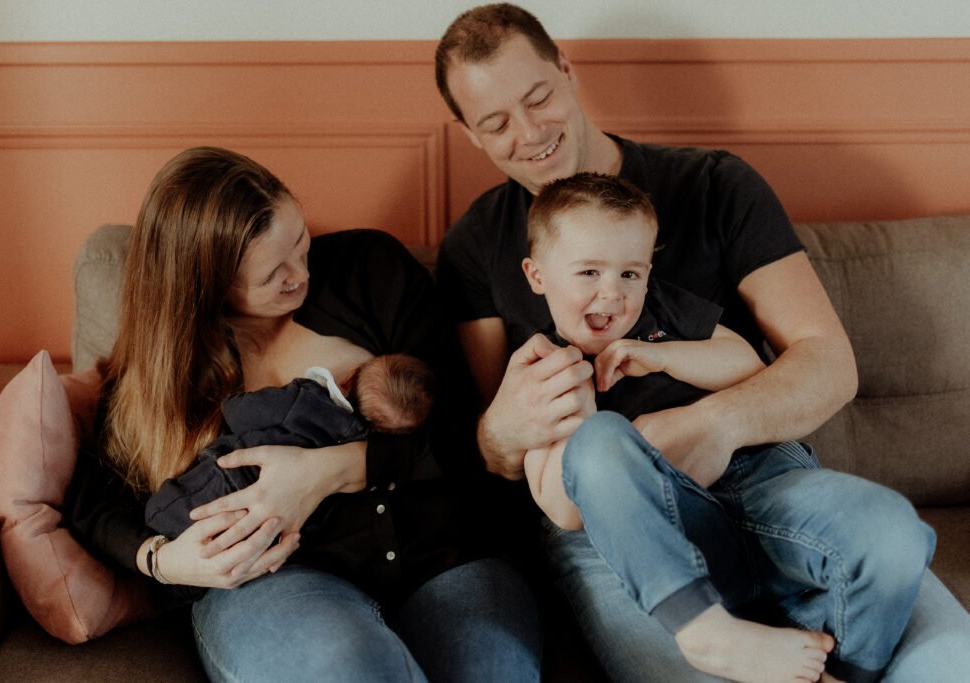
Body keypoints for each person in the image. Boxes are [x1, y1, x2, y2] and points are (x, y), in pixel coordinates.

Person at [433, 4, 970, 682]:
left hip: (764, 478)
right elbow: (496, 452)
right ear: (468, 133)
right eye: (495, 123)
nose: (529, 132)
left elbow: (826, 361)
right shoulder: (478, 246)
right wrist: (503, 433)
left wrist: (713, 423)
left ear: (566, 72)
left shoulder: (714, 186)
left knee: (951, 659)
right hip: (615, 534)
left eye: (538, 97)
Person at [66, 146, 541, 682]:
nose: (299, 274)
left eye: (299, 241)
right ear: (209, 287)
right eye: (272, 274)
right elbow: (91, 498)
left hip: (448, 555)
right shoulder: (166, 373)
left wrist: (329, 471)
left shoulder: (370, 271)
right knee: (349, 670)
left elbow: (470, 432)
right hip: (280, 580)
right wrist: (163, 560)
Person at [522, 172, 934, 683]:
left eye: (630, 274)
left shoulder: (666, 312)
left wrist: (661, 356)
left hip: (765, 484)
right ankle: (707, 633)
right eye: (588, 272)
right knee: (599, 441)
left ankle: (848, 672)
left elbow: (748, 366)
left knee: (893, 529)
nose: (612, 293)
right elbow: (561, 509)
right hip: (674, 533)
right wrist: (580, 416)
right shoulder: (540, 367)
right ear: (537, 275)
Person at [144, 354, 436, 540]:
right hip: (272, 520)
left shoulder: (305, 400)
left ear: (349, 379)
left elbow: (237, 413)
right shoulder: (356, 447)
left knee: (162, 512)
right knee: (220, 541)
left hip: (232, 475)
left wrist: (236, 399)